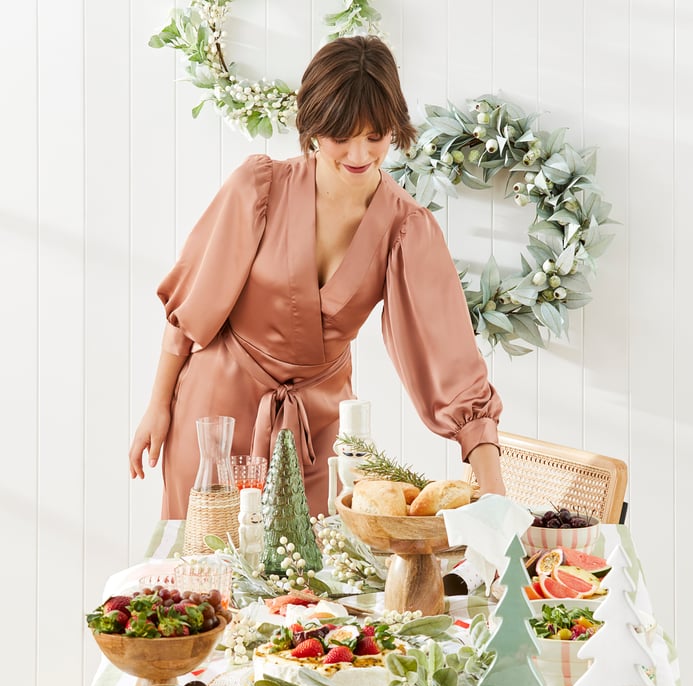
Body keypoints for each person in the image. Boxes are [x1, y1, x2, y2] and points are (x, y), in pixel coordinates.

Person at [129, 35, 505, 519]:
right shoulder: (260, 188)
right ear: (312, 126)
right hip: (216, 419)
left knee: (319, 588)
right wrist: (157, 405)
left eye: (376, 136)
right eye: (341, 135)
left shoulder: (405, 228)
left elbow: (453, 363)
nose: (359, 153)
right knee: (206, 581)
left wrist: (496, 497)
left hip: (321, 435)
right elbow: (189, 310)